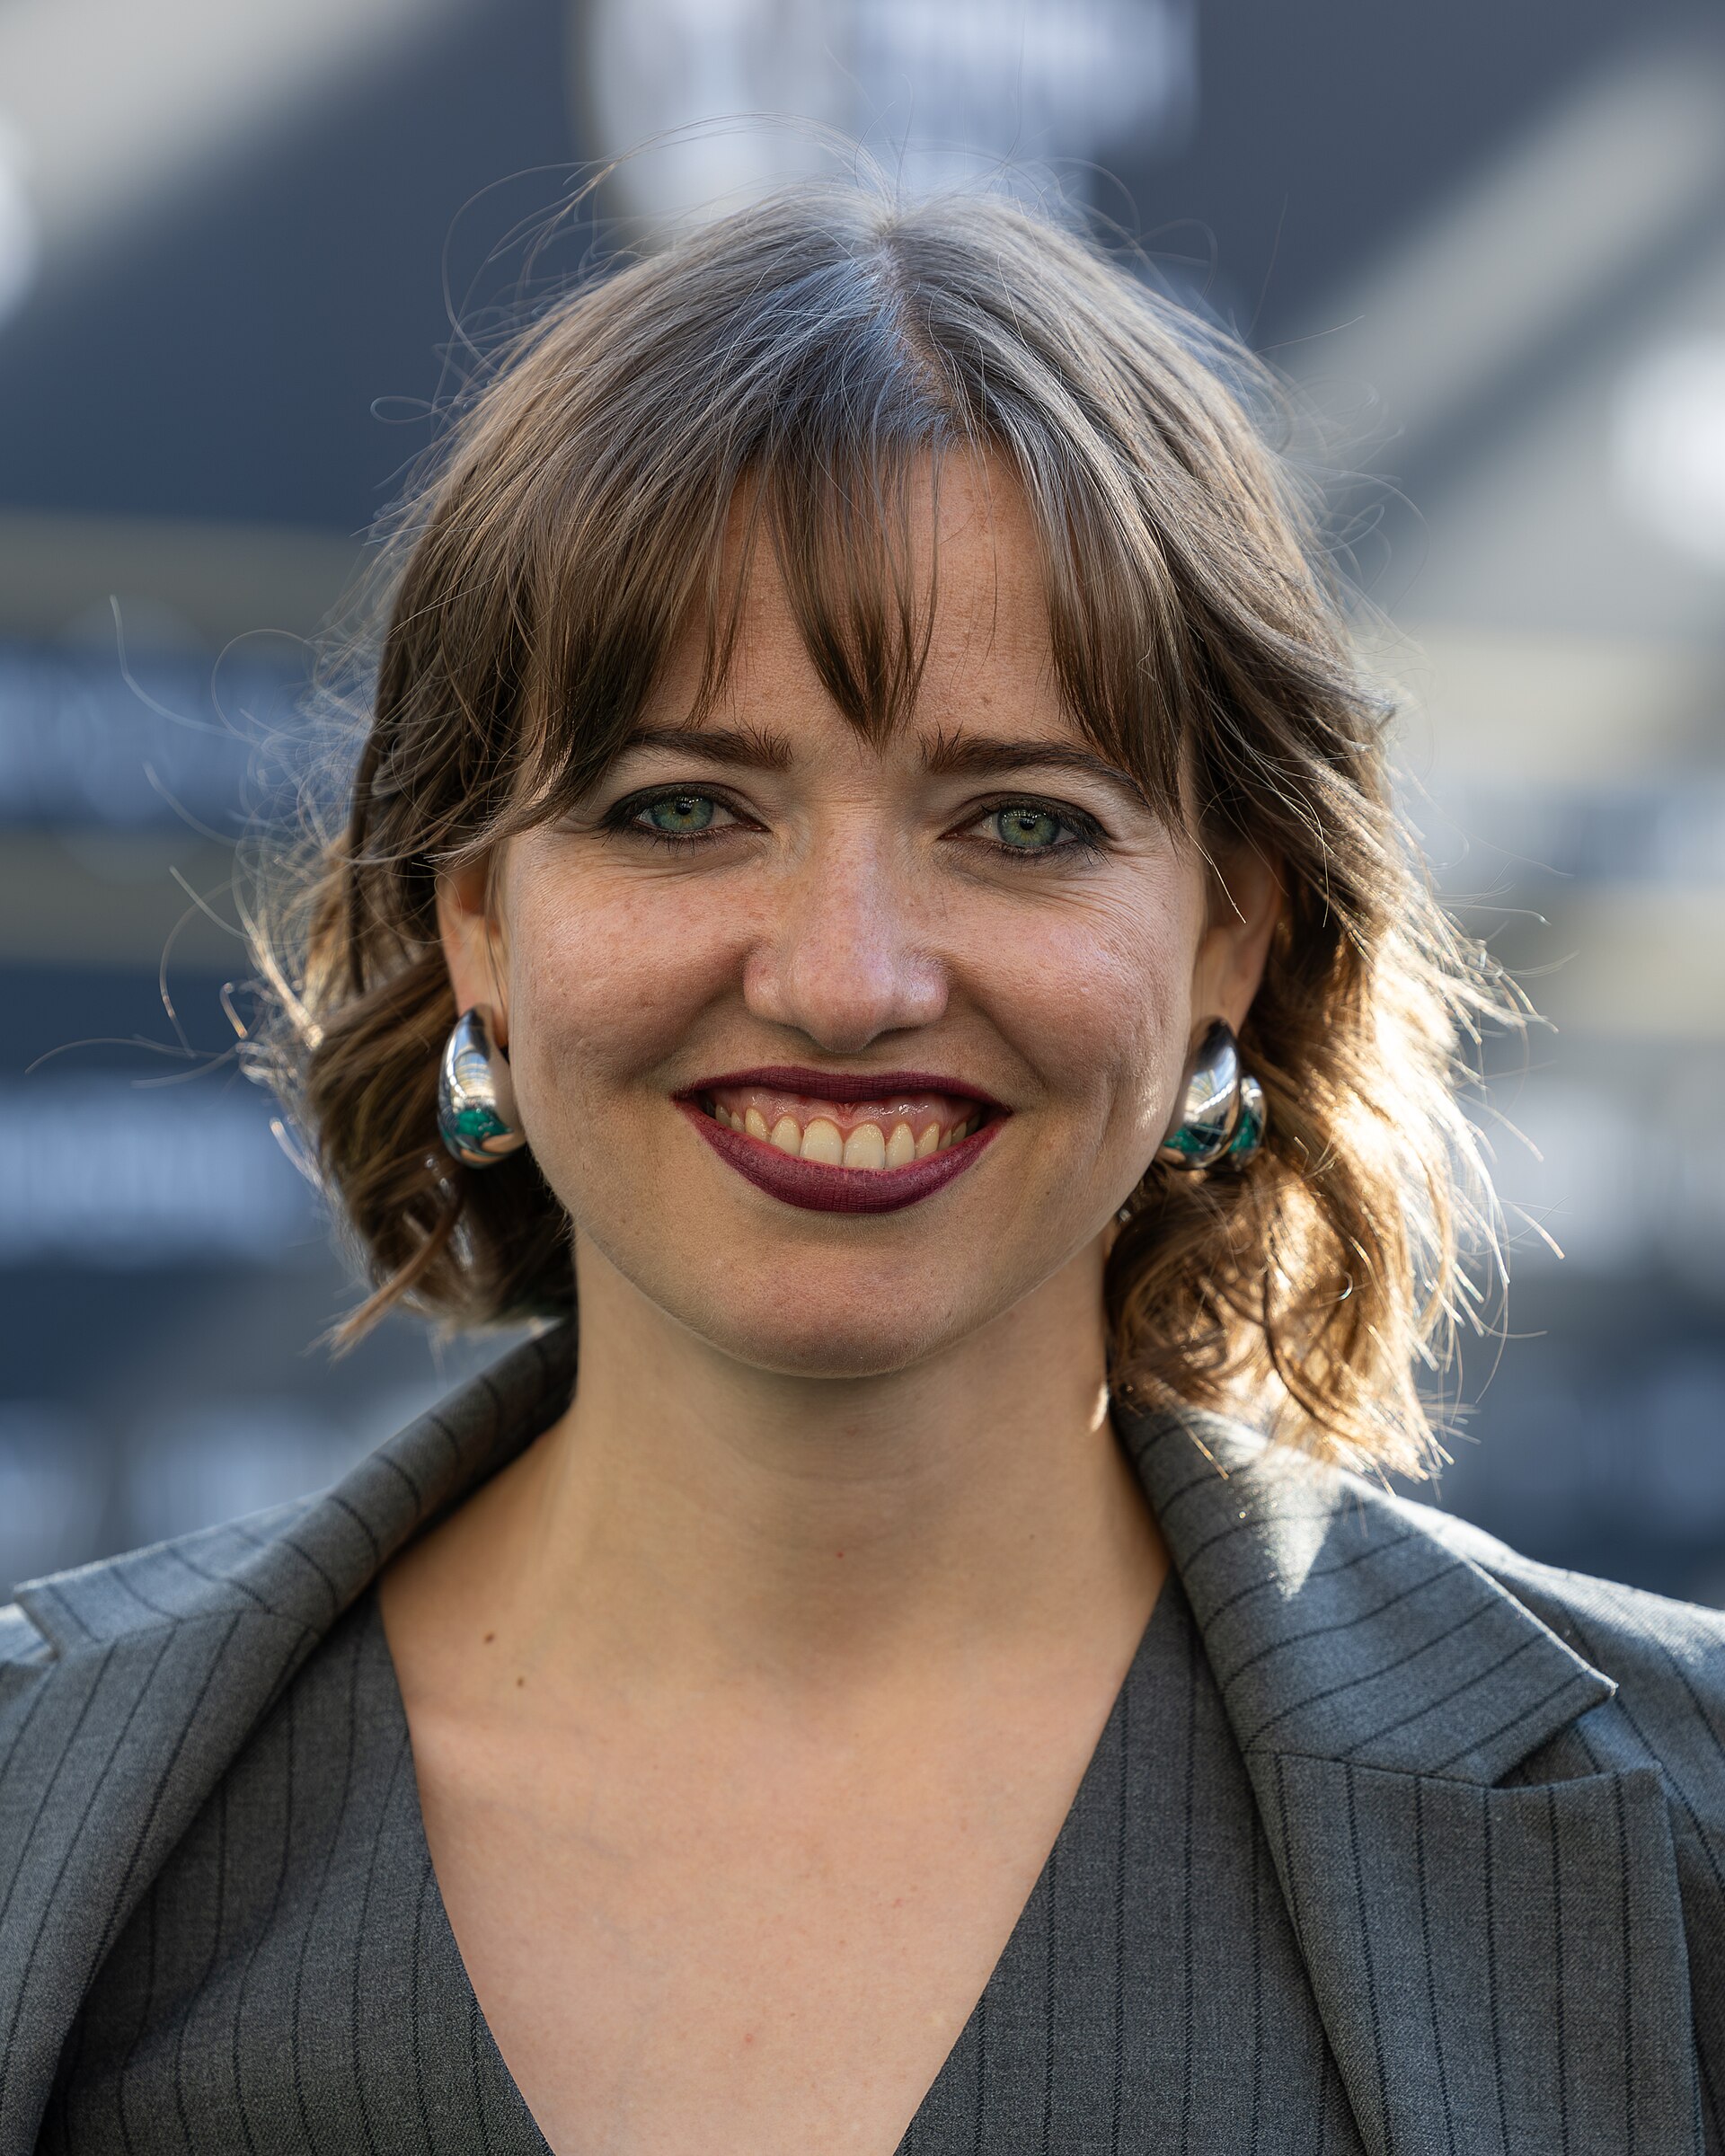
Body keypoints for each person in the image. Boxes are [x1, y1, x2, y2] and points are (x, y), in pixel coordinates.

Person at [4, 180, 1722, 2156]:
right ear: (477, 916)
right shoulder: (38, 1795)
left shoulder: (1683, 1832)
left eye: (1019, 825)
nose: (846, 979)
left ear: (1232, 938)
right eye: (682, 808)